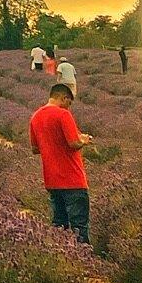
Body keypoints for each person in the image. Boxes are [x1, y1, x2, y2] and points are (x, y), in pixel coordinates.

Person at [29, 82, 91, 244]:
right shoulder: (63, 115)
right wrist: (84, 140)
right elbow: (73, 143)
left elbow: (35, 148)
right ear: (63, 98)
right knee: (79, 227)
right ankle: (83, 258)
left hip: (52, 181)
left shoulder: (35, 116)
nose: (69, 107)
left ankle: (63, 256)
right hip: (73, 180)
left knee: (59, 227)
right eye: (69, 102)